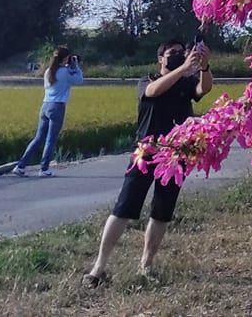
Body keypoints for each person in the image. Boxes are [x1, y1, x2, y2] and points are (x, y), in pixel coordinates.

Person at [84, 40, 212, 286]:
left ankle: (146, 265)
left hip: (176, 155)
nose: (177, 56)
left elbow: (203, 89)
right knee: (123, 209)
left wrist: (204, 67)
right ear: (160, 59)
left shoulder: (186, 84)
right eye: (171, 53)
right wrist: (184, 66)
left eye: (181, 52)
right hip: (145, 153)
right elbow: (154, 91)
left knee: (162, 212)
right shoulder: (147, 80)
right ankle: (98, 268)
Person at [13, 46, 83, 177]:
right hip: (58, 106)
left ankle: (20, 166)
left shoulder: (48, 71)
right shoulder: (65, 72)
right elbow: (79, 80)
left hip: (45, 106)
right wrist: (76, 66)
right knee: (51, 139)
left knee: (38, 138)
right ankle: (44, 169)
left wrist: (70, 66)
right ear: (66, 58)